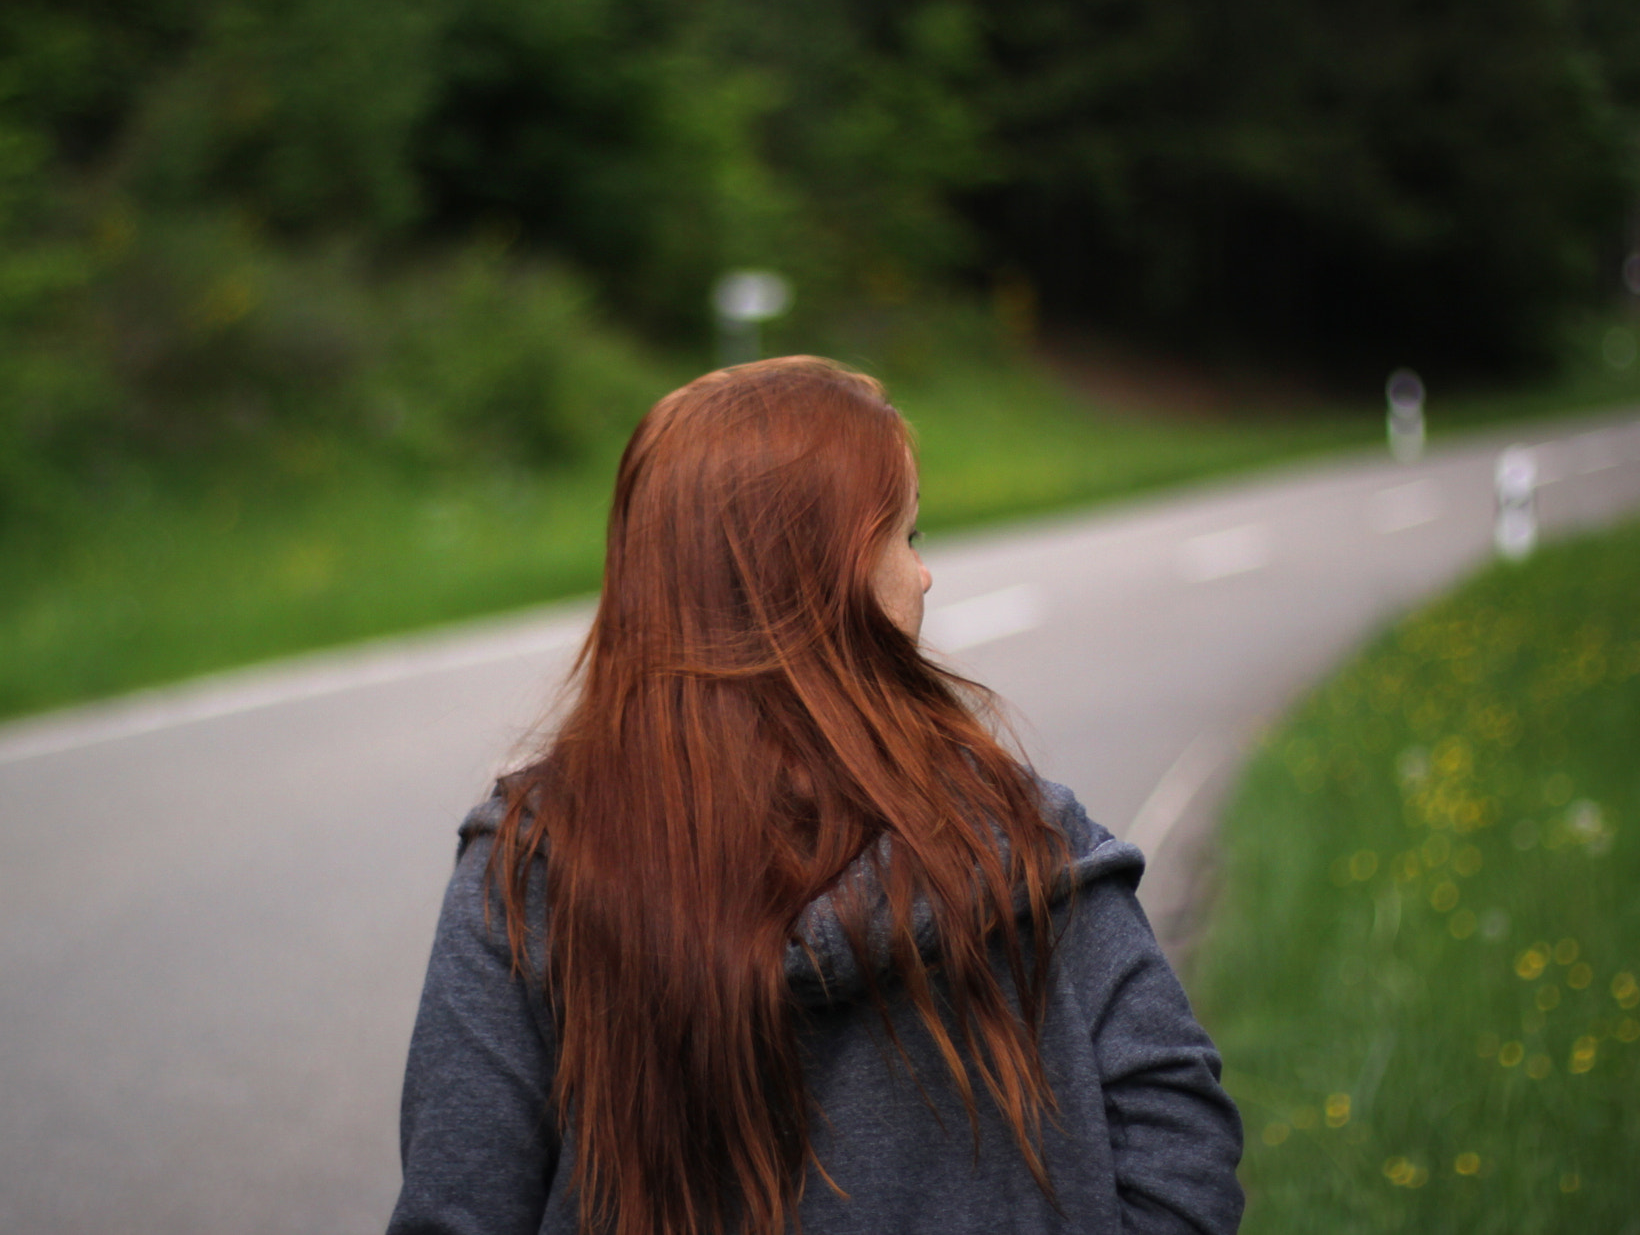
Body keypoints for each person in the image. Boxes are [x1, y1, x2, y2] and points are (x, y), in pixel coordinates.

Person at [385, 357, 1244, 1235]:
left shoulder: (536, 861)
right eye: (907, 537)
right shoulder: (1021, 841)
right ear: (821, 575)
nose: (924, 575)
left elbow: (457, 1206)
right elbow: (1182, 1155)